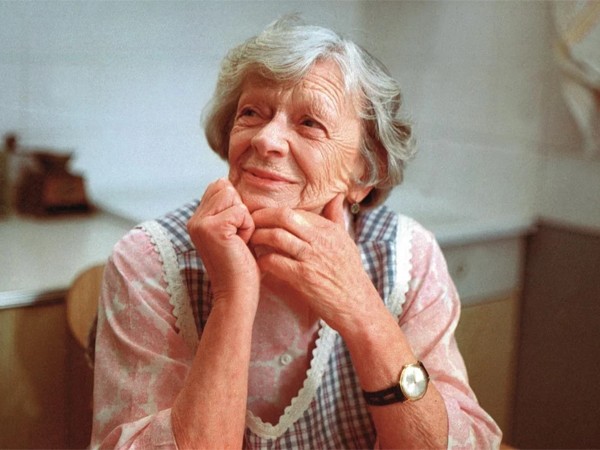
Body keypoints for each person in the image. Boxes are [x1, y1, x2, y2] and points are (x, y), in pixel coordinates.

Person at [91, 17, 502, 449]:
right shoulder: (151, 261)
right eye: (251, 113)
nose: (266, 139)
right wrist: (233, 298)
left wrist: (363, 311)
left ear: (364, 172)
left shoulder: (407, 257)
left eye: (309, 123)